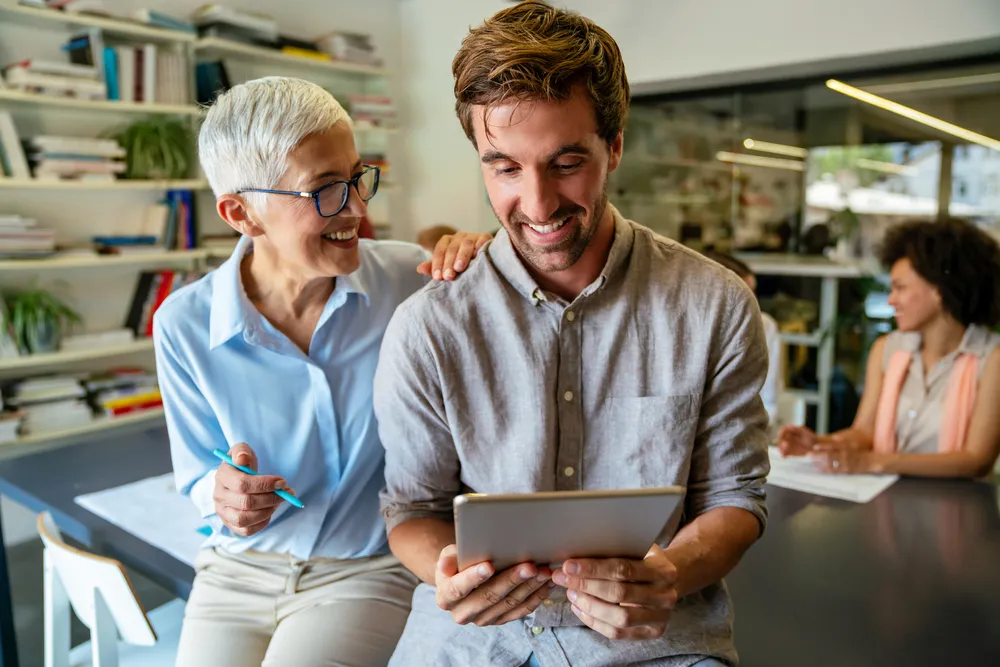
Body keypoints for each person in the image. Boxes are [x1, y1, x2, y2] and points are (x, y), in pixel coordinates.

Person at [372, 3, 770, 665]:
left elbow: (735, 497)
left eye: (565, 163)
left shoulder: (715, 305)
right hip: (471, 644)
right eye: (504, 167)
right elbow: (411, 508)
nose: (537, 204)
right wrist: (444, 570)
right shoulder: (429, 324)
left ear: (614, 146)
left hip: (657, 644)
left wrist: (669, 571)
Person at [153, 76, 490, 667]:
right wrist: (221, 493)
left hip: (361, 572)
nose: (359, 210)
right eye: (326, 190)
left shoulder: (413, 283)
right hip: (236, 572)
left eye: (357, 177)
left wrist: (479, 254)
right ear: (241, 213)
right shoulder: (183, 323)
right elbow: (196, 473)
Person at [779, 218, 1000, 478]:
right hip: (882, 501)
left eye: (900, 288)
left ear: (940, 290)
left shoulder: (992, 359)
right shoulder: (887, 350)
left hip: (956, 510)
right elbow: (864, 432)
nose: (891, 300)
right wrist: (823, 444)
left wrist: (872, 463)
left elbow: (976, 460)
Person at [704, 251, 784, 424]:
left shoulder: (765, 326)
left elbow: (770, 403)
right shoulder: (690, 332)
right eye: (745, 295)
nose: (753, 304)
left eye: (754, 293)